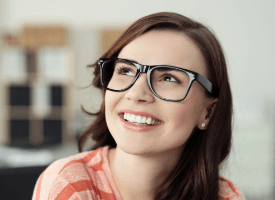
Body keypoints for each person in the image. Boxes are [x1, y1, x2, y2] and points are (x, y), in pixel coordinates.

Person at [33, 12, 245, 200]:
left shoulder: (224, 196)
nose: (136, 93)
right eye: (125, 71)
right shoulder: (70, 184)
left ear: (208, 112)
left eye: (169, 78)